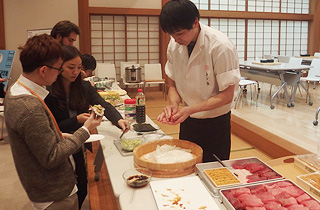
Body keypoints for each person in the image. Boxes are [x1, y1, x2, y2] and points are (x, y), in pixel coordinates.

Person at [4, 34, 102, 210]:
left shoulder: (17, 91)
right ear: (43, 70)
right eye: (58, 69)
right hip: (53, 193)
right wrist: (85, 129)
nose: (59, 74)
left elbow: (38, 141)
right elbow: (52, 156)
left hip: (42, 186)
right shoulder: (29, 107)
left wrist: (57, 135)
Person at [45, 45, 129, 209]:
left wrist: (119, 120)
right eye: (71, 67)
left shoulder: (83, 86)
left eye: (78, 68)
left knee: (82, 183)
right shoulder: (49, 91)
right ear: (60, 66)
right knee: (69, 185)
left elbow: (103, 104)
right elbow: (52, 128)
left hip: (81, 139)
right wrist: (76, 120)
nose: (75, 72)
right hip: (61, 143)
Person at [157, 0, 241, 163]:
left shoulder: (220, 46)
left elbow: (227, 95)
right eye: (171, 34)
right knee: (187, 167)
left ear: (195, 22)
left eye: (179, 33)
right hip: (187, 120)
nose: (175, 39)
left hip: (215, 122)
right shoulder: (174, 44)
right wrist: (174, 104)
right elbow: (172, 82)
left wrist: (190, 110)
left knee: (214, 171)